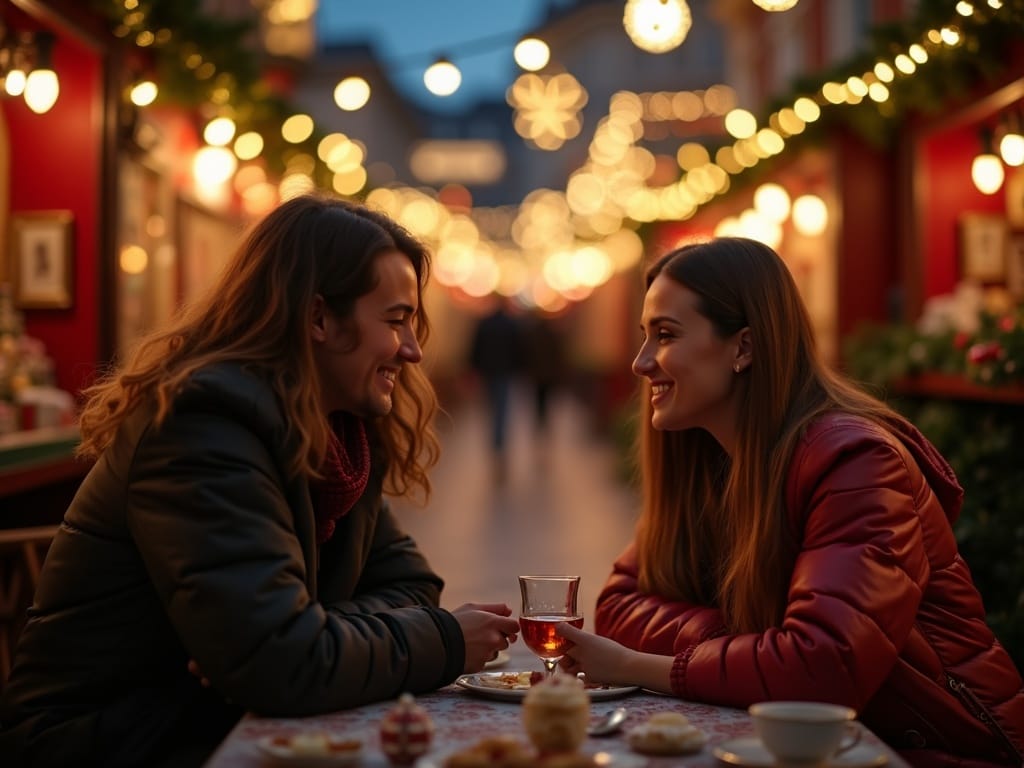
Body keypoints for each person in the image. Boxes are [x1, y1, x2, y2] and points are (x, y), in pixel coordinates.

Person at [0, 194, 520, 768]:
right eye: (396, 321)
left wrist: (313, 633)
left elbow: (411, 585)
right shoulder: (203, 428)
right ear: (318, 318)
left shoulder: (339, 438)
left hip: (206, 717)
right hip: (109, 740)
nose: (413, 350)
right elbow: (284, 664)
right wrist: (442, 640)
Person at [556, 238, 1024, 766]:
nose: (641, 363)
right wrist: (758, 648)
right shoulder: (710, 460)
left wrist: (637, 665)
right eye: (644, 335)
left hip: (942, 752)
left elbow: (819, 672)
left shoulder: (858, 461)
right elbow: (617, 606)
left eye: (665, 335)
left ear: (744, 347)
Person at [468, 296, 523, 476]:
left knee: (491, 410)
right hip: (504, 373)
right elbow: (518, 350)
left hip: (487, 373)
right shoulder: (511, 325)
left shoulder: (485, 324)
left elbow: (475, 348)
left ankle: (495, 446)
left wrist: (473, 369)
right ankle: (499, 448)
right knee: (501, 411)